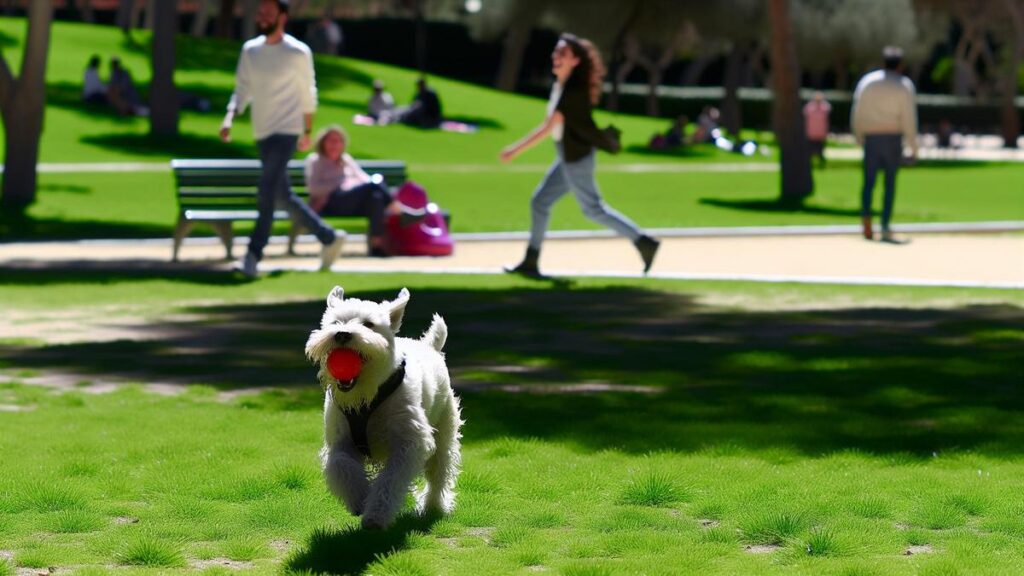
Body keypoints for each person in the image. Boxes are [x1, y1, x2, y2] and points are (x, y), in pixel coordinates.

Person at [499, 33, 660, 277]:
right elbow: (551, 124)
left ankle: (643, 242)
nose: (556, 57)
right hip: (567, 156)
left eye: (562, 53)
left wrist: (514, 150)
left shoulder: (573, 92)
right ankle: (531, 260)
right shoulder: (561, 86)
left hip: (576, 159)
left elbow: (548, 128)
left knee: (593, 209)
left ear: (575, 61)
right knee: (541, 202)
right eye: (556, 52)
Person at [220, 0, 345, 278]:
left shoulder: (298, 52)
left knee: (266, 191)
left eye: (268, 13)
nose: (262, 18)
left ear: (283, 16)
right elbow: (242, 89)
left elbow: (307, 92)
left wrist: (308, 131)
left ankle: (253, 255)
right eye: (260, 13)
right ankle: (329, 237)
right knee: (282, 195)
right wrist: (230, 116)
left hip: (287, 131)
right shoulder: (250, 51)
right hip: (262, 132)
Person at [851, 45, 918, 242]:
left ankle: (866, 222)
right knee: (889, 184)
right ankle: (885, 225)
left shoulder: (868, 83)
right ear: (901, 65)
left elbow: (858, 111)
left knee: (868, 183)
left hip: (871, 137)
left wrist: (858, 135)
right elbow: (909, 118)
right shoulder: (904, 85)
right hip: (892, 138)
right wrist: (912, 146)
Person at [305, 125, 394, 257]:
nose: (335, 145)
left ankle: (376, 246)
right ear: (323, 142)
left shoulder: (346, 160)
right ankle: (396, 208)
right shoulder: (315, 160)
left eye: (338, 141)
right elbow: (313, 188)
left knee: (376, 197)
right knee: (375, 185)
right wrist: (338, 183)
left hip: (352, 202)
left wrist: (352, 185)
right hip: (329, 203)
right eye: (331, 141)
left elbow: (364, 179)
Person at [803, 91, 831, 168]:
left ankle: (821, 165)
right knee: (810, 152)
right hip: (811, 133)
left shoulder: (824, 107)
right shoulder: (810, 107)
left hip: (820, 133)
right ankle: (810, 164)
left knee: (820, 151)